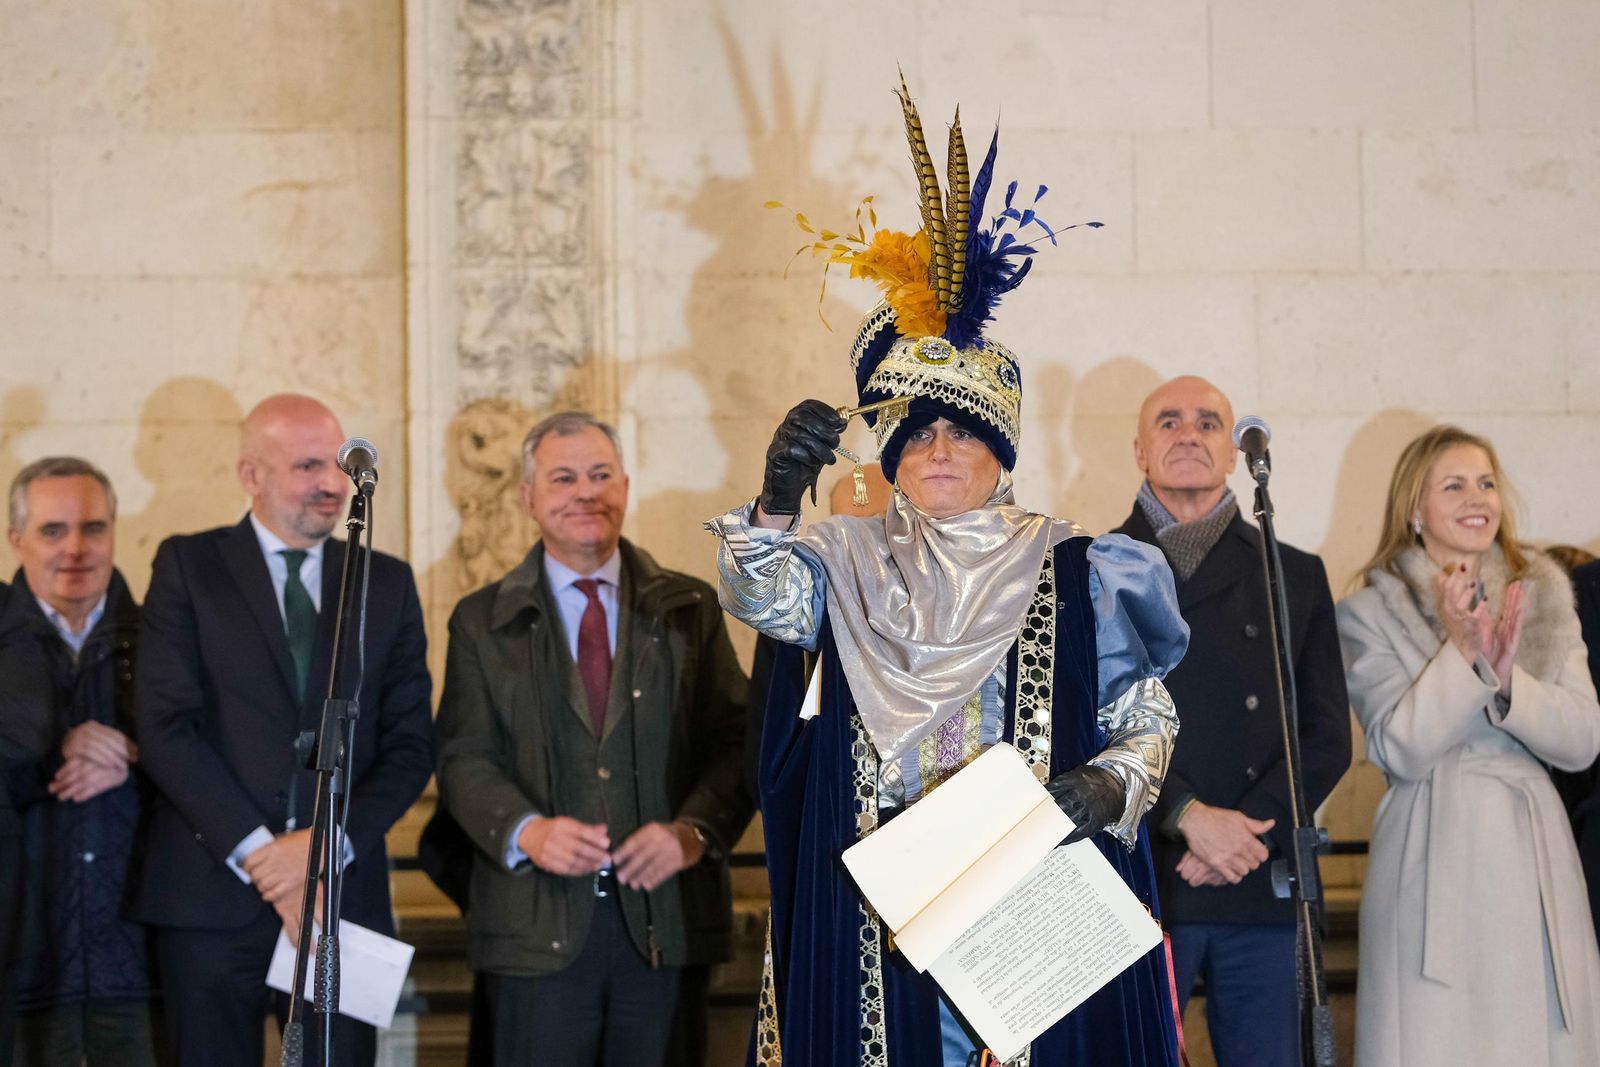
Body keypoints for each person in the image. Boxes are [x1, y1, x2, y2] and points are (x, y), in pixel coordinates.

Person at [708, 84, 1187, 1067]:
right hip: (879, 895)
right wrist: (769, 506)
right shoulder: (838, 559)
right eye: (916, 432)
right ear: (888, 457)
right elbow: (762, 595)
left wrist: (1105, 785)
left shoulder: (1085, 567)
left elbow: (1151, 718)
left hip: (1034, 884)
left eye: (961, 432)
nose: (936, 447)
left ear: (999, 454)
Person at [434, 411, 751, 1067]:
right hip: (533, 926)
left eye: (601, 474)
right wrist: (526, 829)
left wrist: (692, 832)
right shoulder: (478, 621)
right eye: (564, 476)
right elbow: (462, 756)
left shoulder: (689, 609)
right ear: (528, 496)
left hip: (666, 927)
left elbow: (738, 741)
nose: (586, 491)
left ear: (626, 487)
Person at [133, 393, 434, 1066]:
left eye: (336, 464)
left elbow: (412, 743)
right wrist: (263, 855)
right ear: (251, 474)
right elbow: (164, 724)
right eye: (306, 466)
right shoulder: (188, 565)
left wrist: (324, 847)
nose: (331, 483)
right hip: (212, 893)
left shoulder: (385, 582)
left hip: (341, 901)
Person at [1337, 425, 1600, 1066]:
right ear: (1413, 508)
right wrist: (1463, 655)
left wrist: (1509, 682)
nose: (1475, 496)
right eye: (1452, 484)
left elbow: (1583, 741)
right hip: (1434, 843)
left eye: (1486, 482)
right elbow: (1398, 749)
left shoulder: (1545, 599)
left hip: (1536, 844)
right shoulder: (1370, 611)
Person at [1110, 376, 1351, 1065]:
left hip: (1261, 877)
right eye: (1169, 421)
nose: (1189, 433)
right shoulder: (1093, 567)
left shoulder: (1293, 574)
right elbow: (1085, 722)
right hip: (1143, 872)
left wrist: (1244, 833)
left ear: (1232, 452)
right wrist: (1187, 813)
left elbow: (1328, 733)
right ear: (1139, 448)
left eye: (1209, 422)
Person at [1, 458, 156, 1066]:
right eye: (52, 530)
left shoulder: (165, 640)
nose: (75, 548)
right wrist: (53, 751)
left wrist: (135, 754)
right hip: (20, 959)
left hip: (139, 961)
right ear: (16, 538)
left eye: (93, 528)